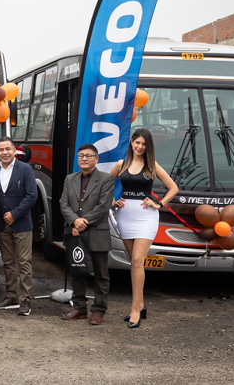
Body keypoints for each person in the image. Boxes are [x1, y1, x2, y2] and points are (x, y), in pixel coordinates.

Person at [110, 128, 178, 328]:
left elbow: (173, 188)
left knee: (138, 260)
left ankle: (134, 309)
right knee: (134, 262)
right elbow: (104, 184)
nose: (140, 147)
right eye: (137, 142)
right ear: (131, 143)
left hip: (146, 216)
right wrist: (113, 201)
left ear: (148, 146)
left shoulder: (152, 166)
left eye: (144, 144)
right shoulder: (121, 165)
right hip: (125, 216)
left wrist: (159, 204)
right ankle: (141, 304)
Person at [59, 144, 114, 325]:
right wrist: (74, 220)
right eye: (81, 155)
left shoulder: (106, 179)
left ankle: (98, 310)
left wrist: (82, 223)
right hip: (74, 232)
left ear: (96, 159)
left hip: (96, 232)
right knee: (77, 270)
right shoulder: (70, 179)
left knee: (101, 273)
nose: (84, 158)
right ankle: (79, 307)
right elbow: (63, 204)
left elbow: (103, 206)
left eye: (89, 156)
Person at [0, 136, 38, 316]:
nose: (5, 152)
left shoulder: (25, 169)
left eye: (8, 149)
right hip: (2, 225)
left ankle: (25, 300)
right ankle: (11, 296)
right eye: (1, 150)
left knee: (24, 262)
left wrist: (15, 214)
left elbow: (32, 195)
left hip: (21, 224)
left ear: (14, 151)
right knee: (8, 262)